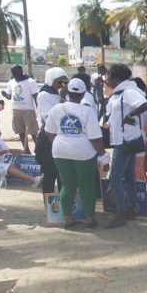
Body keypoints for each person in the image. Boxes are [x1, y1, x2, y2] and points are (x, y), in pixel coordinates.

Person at [44, 78, 109, 230]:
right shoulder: (87, 111)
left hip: (60, 151)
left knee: (67, 185)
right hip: (84, 153)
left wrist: (61, 142)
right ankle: (90, 220)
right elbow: (95, 138)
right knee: (87, 186)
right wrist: (103, 155)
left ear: (68, 92)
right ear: (83, 93)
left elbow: (48, 132)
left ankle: (67, 219)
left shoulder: (56, 109)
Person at [104, 64, 147, 229]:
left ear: (116, 79)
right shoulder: (119, 93)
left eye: (109, 76)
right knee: (129, 176)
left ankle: (120, 213)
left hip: (124, 142)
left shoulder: (129, 92)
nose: (107, 79)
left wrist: (130, 115)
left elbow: (145, 105)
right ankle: (131, 209)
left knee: (115, 177)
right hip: (124, 139)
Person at [36, 67, 70, 194]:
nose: (62, 84)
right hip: (48, 137)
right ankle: (48, 205)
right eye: (59, 81)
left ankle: (63, 204)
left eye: (64, 81)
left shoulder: (62, 94)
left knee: (63, 173)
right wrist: (62, 99)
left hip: (62, 136)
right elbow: (49, 117)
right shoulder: (43, 95)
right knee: (50, 173)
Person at [1, 65, 39, 154]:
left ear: (21, 71)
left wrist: (38, 110)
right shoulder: (11, 82)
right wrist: (5, 95)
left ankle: (39, 151)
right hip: (16, 110)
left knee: (33, 132)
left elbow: (36, 97)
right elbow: (10, 96)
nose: (14, 75)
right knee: (21, 131)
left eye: (15, 73)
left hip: (28, 110)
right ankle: (26, 150)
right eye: (13, 73)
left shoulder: (30, 82)